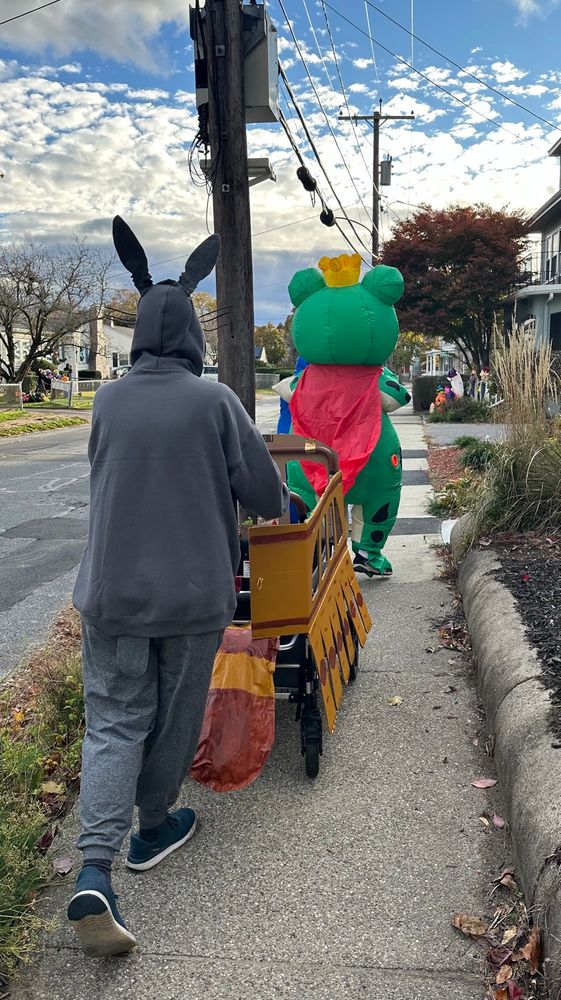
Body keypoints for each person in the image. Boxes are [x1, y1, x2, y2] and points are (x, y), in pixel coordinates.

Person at [68, 217, 289, 958]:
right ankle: (154, 825)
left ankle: (93, 870)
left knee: (114, 720)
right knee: (172, 717)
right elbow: (263, 496)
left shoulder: (107, 401)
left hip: (110, 594)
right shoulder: (216, 401)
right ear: (193, 333)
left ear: (137, 337)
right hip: (192, 598)